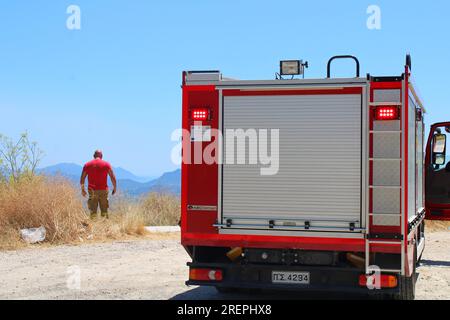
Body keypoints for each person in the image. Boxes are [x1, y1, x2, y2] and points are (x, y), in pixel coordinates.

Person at [80, 150, 117, 219]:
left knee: (93, 211)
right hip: (103, 190)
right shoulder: (106, 164)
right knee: (104, 210)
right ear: (101, 156)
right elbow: (112, 177)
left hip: (92, 191)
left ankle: (94, 227)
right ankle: (104, 226)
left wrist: (83, 190)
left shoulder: (87, 165)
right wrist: (115, 187)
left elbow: (82, 178)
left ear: (94, 156)